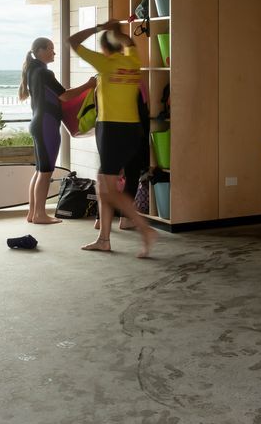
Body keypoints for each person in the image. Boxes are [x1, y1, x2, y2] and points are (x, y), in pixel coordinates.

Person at [68, 20, 157, 257]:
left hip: (111, 130)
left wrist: (100, 27)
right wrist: (118, 32)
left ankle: (144, 228)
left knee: (108, 190)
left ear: (105, 49)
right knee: (102, 185)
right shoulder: (132, 60)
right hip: (132, 130)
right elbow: (129, 42)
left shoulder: (105, 64)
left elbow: (72, 41)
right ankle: (104, 239)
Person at [18, 37, 65, 224]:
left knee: (39, 171)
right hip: (47, 125)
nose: (54, 52)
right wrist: (89, 86)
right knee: (45, 172)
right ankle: (40, 215)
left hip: (38, 124)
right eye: (50, 49)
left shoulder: (32, 70)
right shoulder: (45, 73)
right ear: (39, 51)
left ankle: (32, 213)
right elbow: (65, 95)